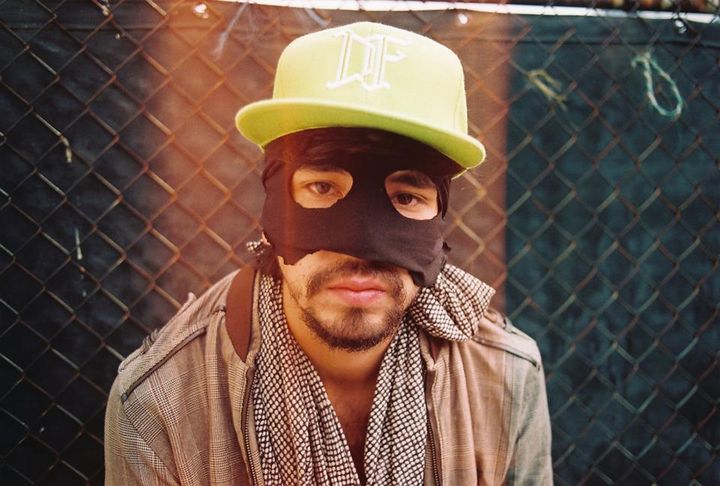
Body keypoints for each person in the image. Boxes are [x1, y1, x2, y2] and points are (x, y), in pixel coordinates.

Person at [104, 21, 552, 485]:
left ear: (440, 216)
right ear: (273, 201)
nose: (360, 247)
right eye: (322, 187)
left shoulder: (505, 377)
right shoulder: (161, 402)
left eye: (406, 198)